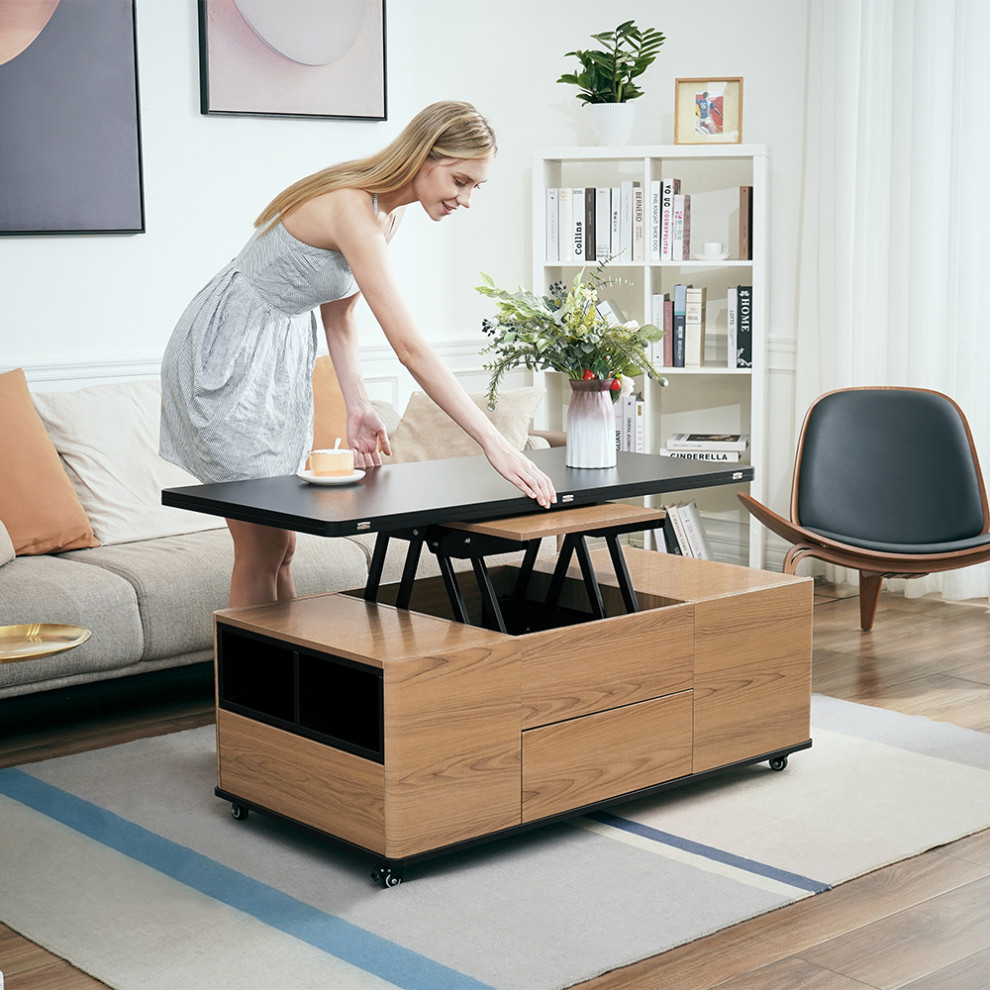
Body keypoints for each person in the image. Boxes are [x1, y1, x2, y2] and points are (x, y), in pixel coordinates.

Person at [160, 101, 557, 608]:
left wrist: (357, 404)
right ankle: (253, 687)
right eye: (460, 181)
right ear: (423, 157)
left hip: (275, 354)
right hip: (227, 353)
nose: (467, 199)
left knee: (283, 547)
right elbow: (409, 348)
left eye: (475, 187)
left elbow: (340, 314)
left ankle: (290, 681)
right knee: (262, 547)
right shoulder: (350, 206)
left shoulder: (384, 216)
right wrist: (493, 442)